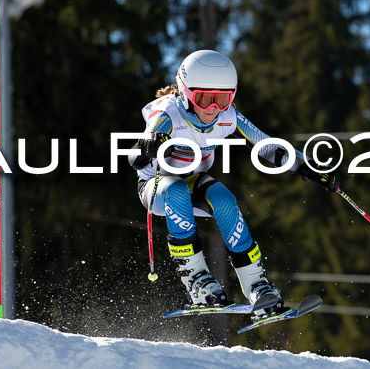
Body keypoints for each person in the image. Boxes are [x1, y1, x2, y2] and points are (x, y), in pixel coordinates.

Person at [129, 49, 340, 317]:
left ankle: (258, 287)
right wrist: (149, 145)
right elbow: (134, 157)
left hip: (193, 179)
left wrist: (305, 164)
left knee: (224, 199)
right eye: (205, 99)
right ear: (185, 92)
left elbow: (265, 144)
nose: (214, 109)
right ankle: (198, 282)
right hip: (156, 187)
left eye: (223, 99)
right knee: (177, 190)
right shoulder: (168, 112)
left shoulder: (228, 116)